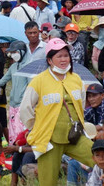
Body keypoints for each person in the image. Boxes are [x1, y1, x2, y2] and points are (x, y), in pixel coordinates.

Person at [19, 38, 93, 186]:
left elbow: (82, 103)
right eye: (59, 56)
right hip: (49, 140)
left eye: (66, 55)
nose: (64, 59)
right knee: (48, 181)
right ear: (50, 60)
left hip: (75, 136)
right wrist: (36, 128)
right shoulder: (39, 81)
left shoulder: (76, 79)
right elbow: (25, 109)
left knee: (99, 158)